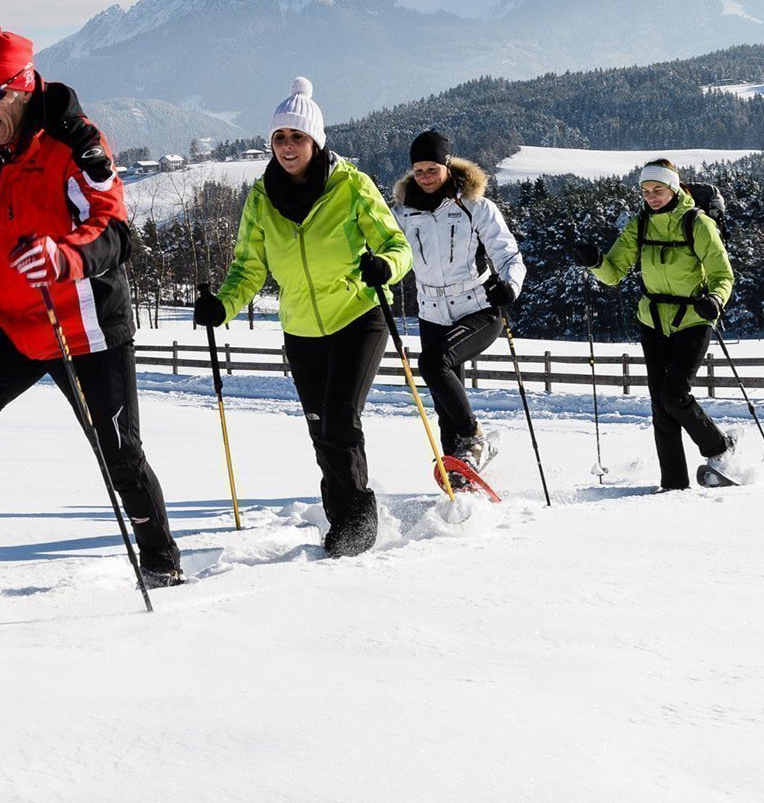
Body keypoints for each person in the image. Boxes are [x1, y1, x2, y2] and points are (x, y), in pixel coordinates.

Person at [0, 28, 182, 591]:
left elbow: (115, 232)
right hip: (9, 321)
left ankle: (160, 562)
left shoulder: (75, 144)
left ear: (24, 85)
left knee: (119, 451)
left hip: (82, 323)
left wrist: (65, 255)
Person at [192, 78, 413, 558]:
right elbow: (249, 267)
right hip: (300, 329)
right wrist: (223, 305)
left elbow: (398, 247)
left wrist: (385, 266)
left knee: (338, 419)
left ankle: (357, 524)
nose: (288, 146)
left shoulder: (351, 185)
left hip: (358, 315)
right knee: (319, 426)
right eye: (279, 138)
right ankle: (343, 520)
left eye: (297, 137)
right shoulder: (261, 198)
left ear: (316, 141)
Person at [572, 159, 735, 490]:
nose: (651, 197)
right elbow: (614, 272)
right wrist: (595, 262)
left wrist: (715, 300)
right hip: (653, 320)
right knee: (660, 404)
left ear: (673, 188)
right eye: (645, 191)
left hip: (694, 318)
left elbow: (722, 274)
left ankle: (719, 447)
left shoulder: (697, 223)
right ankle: (673, 484)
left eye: (657, 190)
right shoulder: (640, 225)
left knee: (675, 395)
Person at [391, 130, 525, 472]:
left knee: (433, 363)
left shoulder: (475, 206)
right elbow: (387, 251)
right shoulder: (404, 213)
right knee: (444, 405)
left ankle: (474, 437)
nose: (424, 177)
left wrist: (509, 287)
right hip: (431, 312)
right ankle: (459, 470)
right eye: (418, 170)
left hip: (478, 309)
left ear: (447, 166)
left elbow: (509, 255)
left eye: (432, 169)